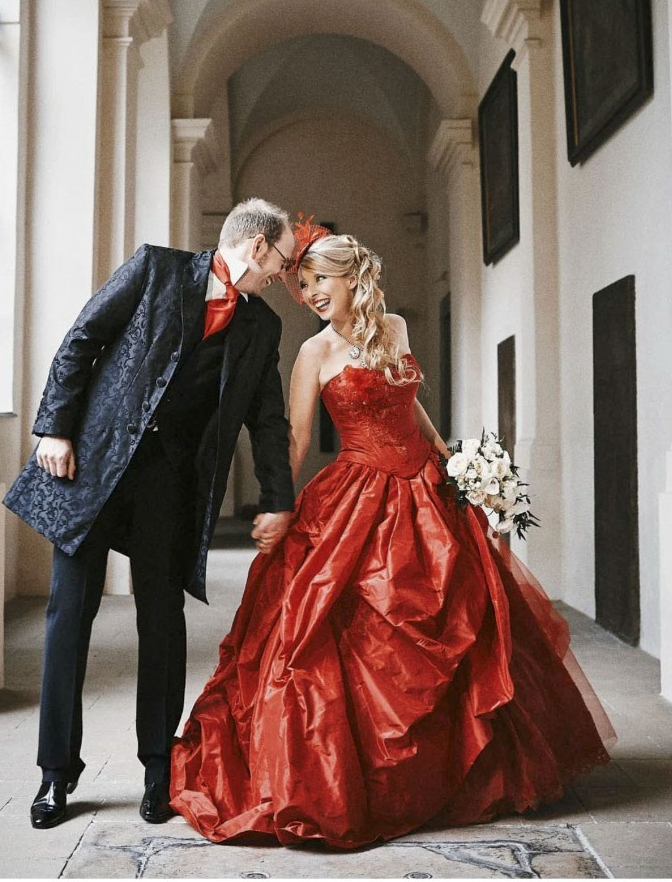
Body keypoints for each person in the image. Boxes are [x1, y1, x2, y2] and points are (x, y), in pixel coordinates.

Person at [169, 227, 616, 850]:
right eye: (303, 285)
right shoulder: (314, 354)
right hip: (354, 495)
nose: (311, 294)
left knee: (466, 620)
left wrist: (452, 461)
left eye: (319, 280)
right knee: (337, 631)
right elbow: (295, 439)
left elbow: (412, 405)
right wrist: (278, 505)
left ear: (354, 275)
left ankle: (459, 776)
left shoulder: (397, 329)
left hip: (426, 487)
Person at [4, 198, 296, 830]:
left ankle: (158, 770)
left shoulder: (261, 328)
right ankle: (56, 774)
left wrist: (278, 499)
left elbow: (268, 421)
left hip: (170, 486)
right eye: (283, 259)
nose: (285, 273)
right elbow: (83, 336)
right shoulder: (156, 270)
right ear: (254, 247)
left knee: (162, 624)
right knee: (67, 616)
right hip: (94, 468)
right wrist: (54, 427)